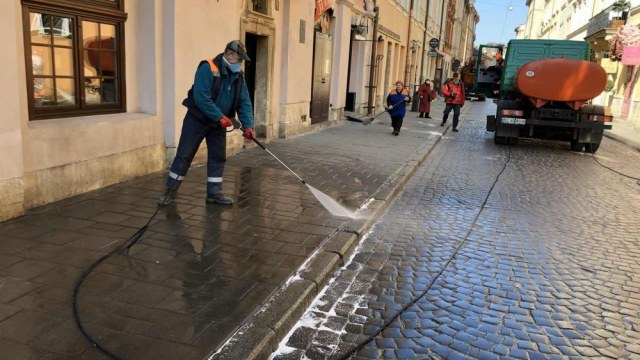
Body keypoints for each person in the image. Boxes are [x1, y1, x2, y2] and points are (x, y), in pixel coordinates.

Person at [158, 40, 256, 206]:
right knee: (185, 154)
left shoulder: (238, 76)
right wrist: (219, 116)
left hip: (219, 123)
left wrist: (248, 126)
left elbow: (244, 102)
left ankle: (214, 193)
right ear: (229, 54)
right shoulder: (208, 68)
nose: (240, 64)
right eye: (238, 60)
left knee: (218, 157)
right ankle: (170, 191)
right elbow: (201, 97)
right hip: (197, 119)